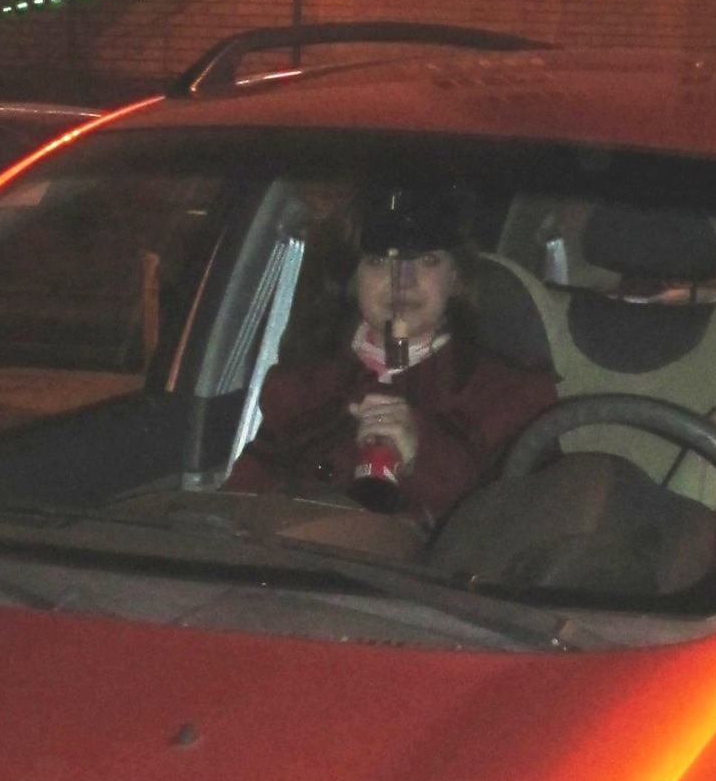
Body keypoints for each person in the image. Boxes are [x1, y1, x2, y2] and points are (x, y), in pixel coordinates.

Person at [227, 186, 555, 528]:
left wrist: (423, 454)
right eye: (380, 261)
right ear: (353, 280)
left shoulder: (511, 397)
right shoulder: (301, 389)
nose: (402, 281)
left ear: (456, 277)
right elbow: (236, 507)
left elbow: (525, 527)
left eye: (427, 260)